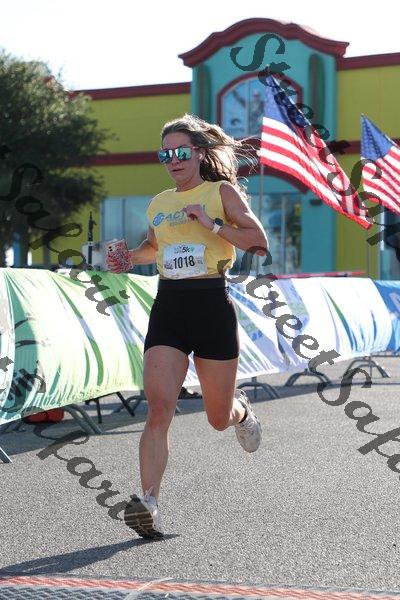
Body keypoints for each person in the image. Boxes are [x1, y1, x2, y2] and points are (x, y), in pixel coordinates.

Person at [106, 113, 269, 539]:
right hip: (170, 307)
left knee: (217, 417)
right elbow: (153, 248)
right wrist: (129, 258)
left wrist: (212, 224)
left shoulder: (220, 192)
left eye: (180, 152)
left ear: (198, 153)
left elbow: (258, 242)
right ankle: (149, 503)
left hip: (212, 305)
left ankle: (241, 411)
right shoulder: (159, 203)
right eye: (165, 154)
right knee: (159, 408)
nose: (173, 160)